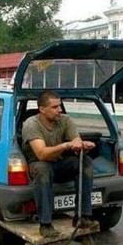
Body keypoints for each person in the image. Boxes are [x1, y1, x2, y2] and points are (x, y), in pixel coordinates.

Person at [22, 90, 96, 237]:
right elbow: (41, 154)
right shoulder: (31, 124)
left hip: (59, 163)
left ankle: (82, 216)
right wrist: (65, 146)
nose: (60, 110)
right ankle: (45, 224)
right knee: (43, 169)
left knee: (85, 162)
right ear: (42, 109)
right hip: (38, 164)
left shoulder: (65, 120)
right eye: (55, 107)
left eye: (60, 106)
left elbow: (75, 140)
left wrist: (81, 146)